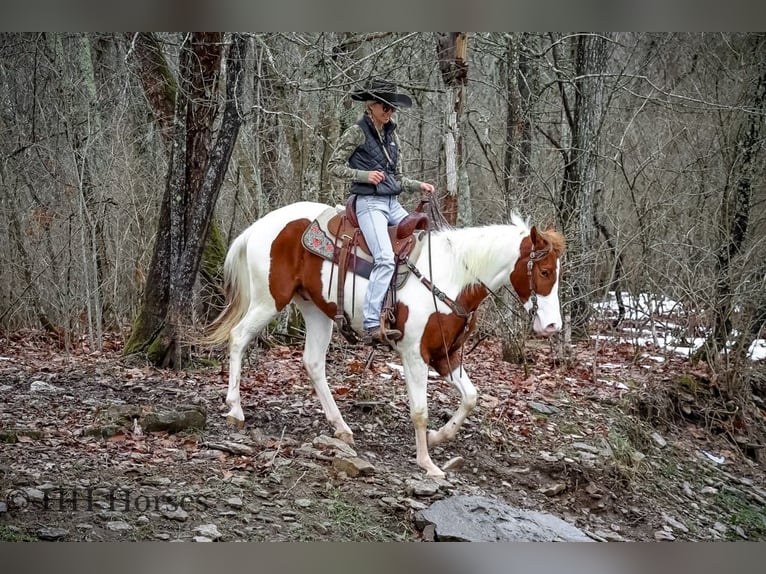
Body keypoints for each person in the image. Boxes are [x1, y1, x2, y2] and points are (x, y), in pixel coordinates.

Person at [328, 78, 435, 346]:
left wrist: (418, 185)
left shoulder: (392, 135)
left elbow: (396, 177)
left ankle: (413, 308)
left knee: (422, 240)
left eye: (392, 108)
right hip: (367, 203)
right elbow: (334, 166)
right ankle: (371, 323)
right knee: (385, 258)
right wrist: (364, 175)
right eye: (385, 108)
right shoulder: (356, 132)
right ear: (371, 106)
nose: (389, 113)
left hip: (391, 203)